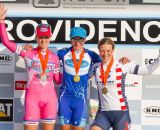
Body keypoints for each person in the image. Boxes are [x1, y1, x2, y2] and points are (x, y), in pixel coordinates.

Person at [22, 28, 130, 130]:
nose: (77, 43)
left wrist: (122, 60)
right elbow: (44, 53)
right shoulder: (62, 53)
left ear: (85, 40)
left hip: (80, 100)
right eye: (74, 39)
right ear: (70, 39)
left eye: (81, 40)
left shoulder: (91, 55)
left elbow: (107, 60)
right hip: (65, 99)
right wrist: (31, 49)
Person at [0, 4, 61, 130]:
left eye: (45, 37)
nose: (43, 40)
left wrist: (80, 75)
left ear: (50, 38)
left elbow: (58, 80)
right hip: (32, 100)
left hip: (50, 100)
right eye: (40, 37)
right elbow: (6, 42)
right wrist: (1, 22)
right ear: (36, 37)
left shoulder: (55, 58)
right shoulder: (28, 53)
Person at [90, 37, 160, 130]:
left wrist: (159, 58)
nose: (105, 54)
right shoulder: (95, 67)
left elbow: (147, 71)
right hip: (103, 113)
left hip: (121, 114)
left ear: (113, 50)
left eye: (108, 50)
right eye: (102, 51)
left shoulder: (123, 64)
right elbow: (81, 77)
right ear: (99, 51)